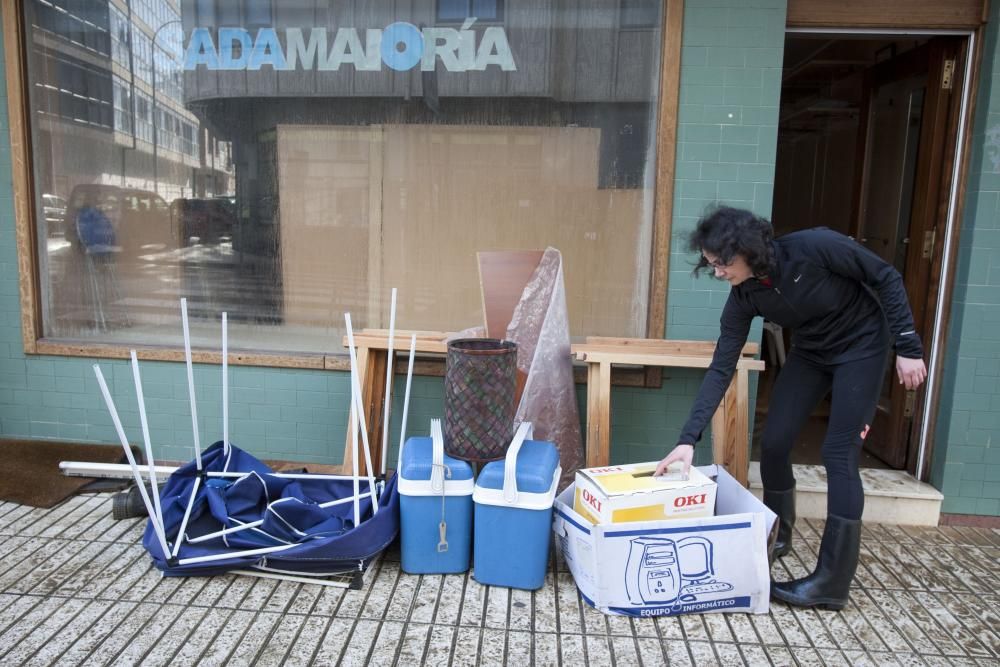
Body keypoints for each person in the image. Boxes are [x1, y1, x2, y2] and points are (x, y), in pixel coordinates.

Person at [654, 205, 927, 610]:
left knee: (838, 452)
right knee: (777, 441)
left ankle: (832, 583)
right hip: (813, 352)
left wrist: (908, 347)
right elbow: (721, 368)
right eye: (710, 265)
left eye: (722, 263)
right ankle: (780, 534)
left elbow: (884, 275)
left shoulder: (815, 247)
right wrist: (687, 439)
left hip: (862, 347)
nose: (717, 273)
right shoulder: (744, 296)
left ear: (747, 250)